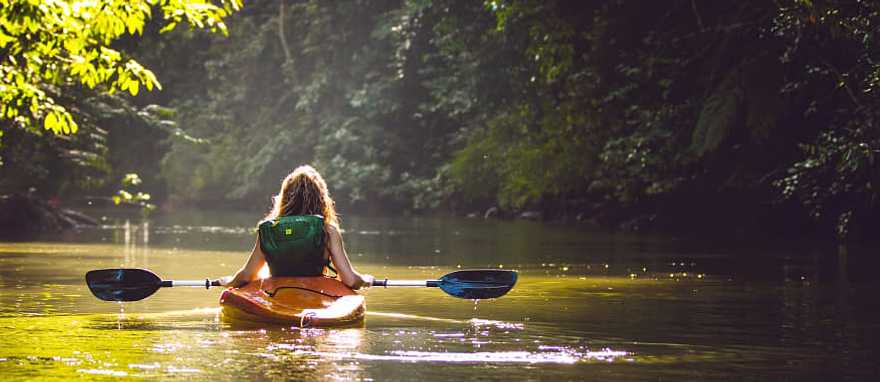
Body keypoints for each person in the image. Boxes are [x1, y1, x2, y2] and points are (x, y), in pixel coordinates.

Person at [221, 165, 373, 289]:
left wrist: (229, 282)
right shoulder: (328, 231)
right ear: (321, 198)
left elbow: (248, 275)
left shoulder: (269, 230)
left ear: (285, 196)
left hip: (277, 296)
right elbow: (351, 281)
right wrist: (365, 280)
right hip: (315, 295)